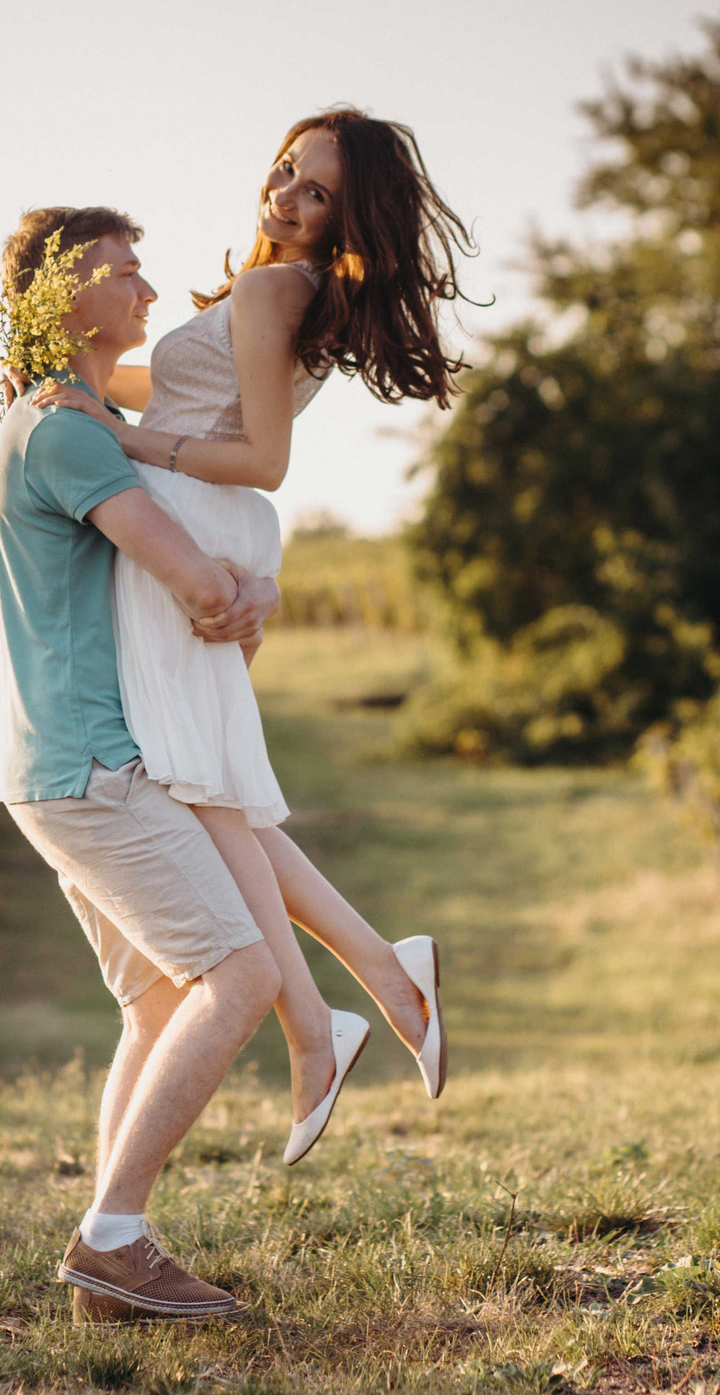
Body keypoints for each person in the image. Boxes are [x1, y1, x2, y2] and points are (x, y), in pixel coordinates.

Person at [29, 108, 474, 1152]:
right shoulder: (273, 288)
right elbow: (175, 390)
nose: (285, 195)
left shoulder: (281, 290)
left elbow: (262, 458)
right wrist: (69, 384)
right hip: (202, 520)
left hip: (194, 520)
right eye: (285, 171)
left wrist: (117, 436)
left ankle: (320, 1023)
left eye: (317, 191)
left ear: (347, 215)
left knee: (203, 787)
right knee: (209, 786)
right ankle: (377, 981)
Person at [0, 205, 302, 1323]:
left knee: (161, 1001)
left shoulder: (56, 418)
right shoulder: (69, 431)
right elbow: (196, 582)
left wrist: (246, 588)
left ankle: (108, 1254)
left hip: (53, 767)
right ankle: (113, 1240)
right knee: (244, 976)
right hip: (94, 767)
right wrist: (245, 589)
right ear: (61, 295)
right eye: (122, 272)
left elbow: (209, 585)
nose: (148, 293)